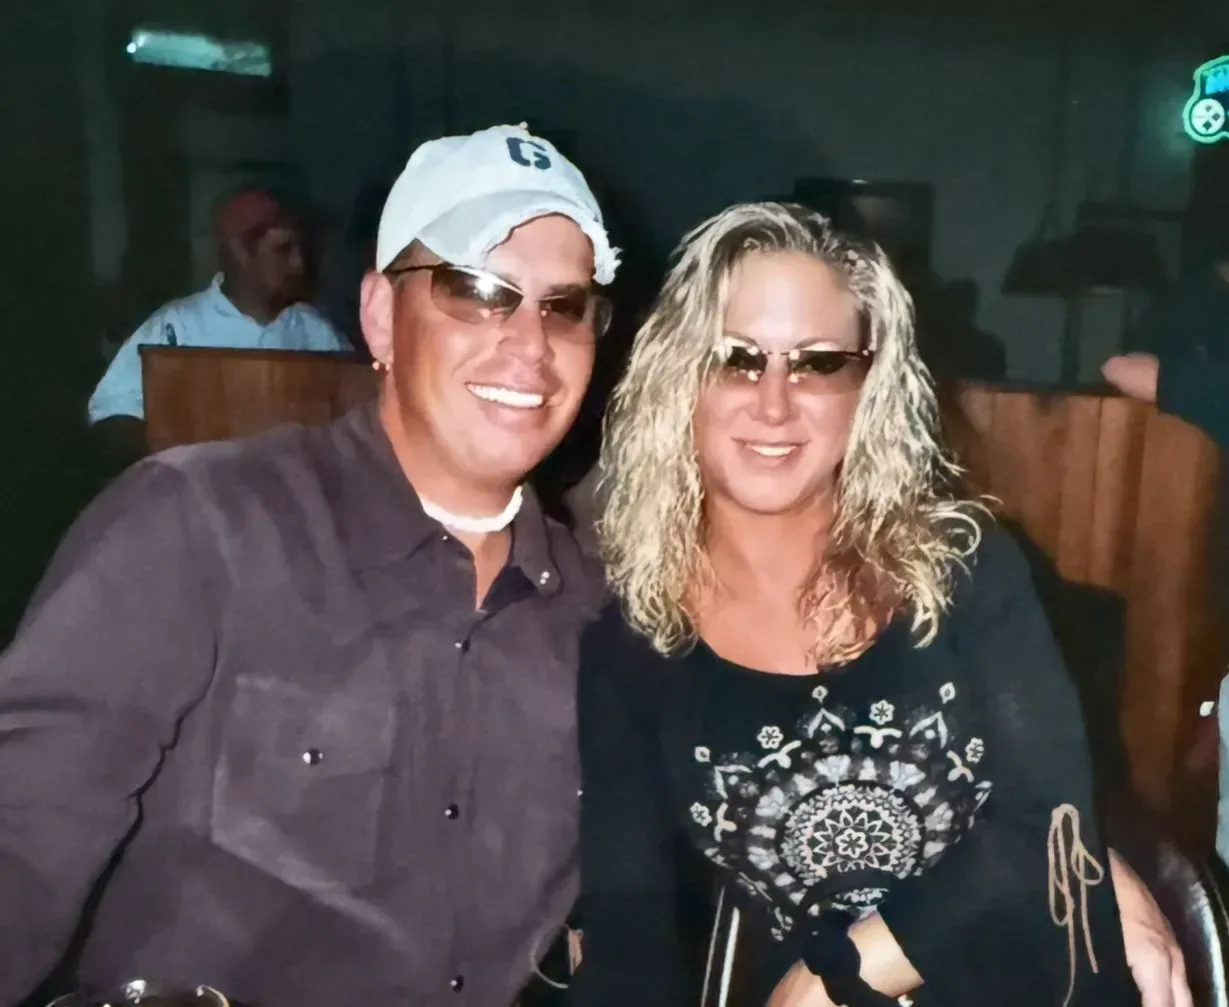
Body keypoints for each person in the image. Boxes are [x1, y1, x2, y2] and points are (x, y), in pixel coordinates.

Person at [0, 124, 616, 1007]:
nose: (528, 342)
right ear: (378, 317)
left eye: (564, 306)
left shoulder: (595, 611)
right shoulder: (198, 526)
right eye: (475, 290)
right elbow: (22, 829)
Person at [569, 202, 1182, 1006]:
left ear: (868, 386)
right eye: (736, 357)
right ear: (678, 376)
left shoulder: (969, 570)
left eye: (818, 362)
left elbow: (1041, 825)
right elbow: (626, 922)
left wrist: (832, 979)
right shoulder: (629, 648)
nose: (774, 401)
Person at [87, 187, 349, 454]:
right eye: (283, 249)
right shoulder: (176, 327)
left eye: (301, 250)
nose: (299, 264)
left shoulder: (318, 332)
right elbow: (111, 414)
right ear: (240, 253)